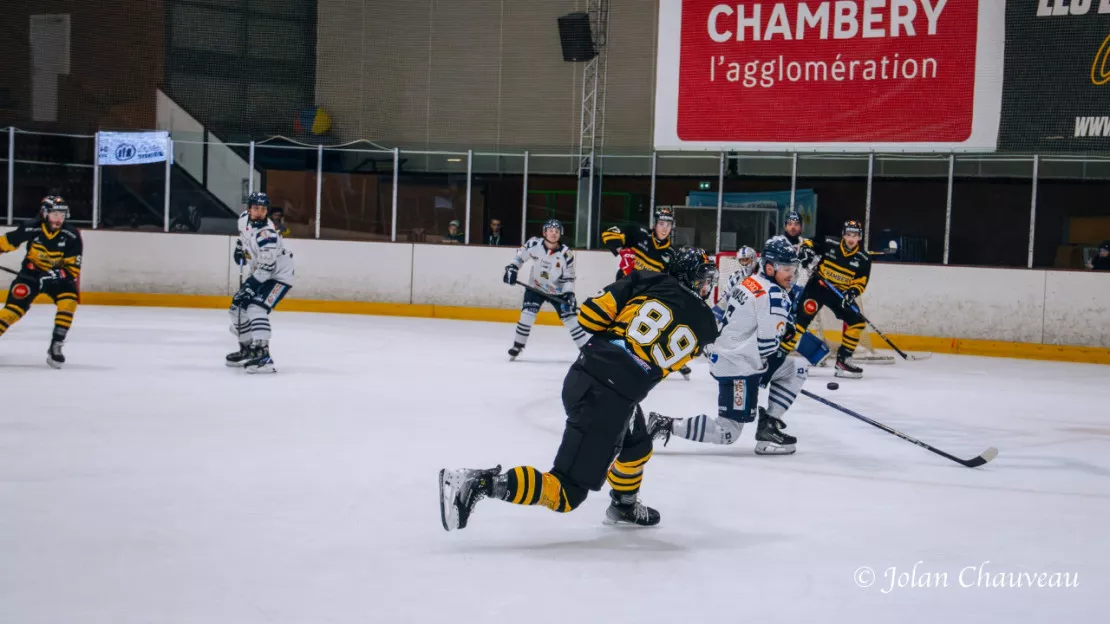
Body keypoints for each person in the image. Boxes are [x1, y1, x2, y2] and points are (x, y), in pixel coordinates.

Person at [439, 248, 720, 531]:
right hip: (609, 401)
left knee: (637, 445)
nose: (708, 286)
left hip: (586, 376)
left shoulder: (647, 280)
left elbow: (589, 318)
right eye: (705, 280)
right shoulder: (708, 326)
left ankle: (624, 504)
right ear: (693, 279)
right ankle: (479, 484)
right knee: (567, 492)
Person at [648, 237, 826, 455]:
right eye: (786, 268)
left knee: (796, 368)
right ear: (770, 268)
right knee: (728, 432)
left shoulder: (749, 282)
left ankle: (769, 425)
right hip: (738, 367)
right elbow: (768, 347)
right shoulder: (776, 295)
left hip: (729, 355)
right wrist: (784, 347)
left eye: (793, 268)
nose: (792, 274)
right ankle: (665, 424)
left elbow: (720, 312)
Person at [781, 220, 872, 379]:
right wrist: (807, 251)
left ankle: (843, 361)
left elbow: (860, 282)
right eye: (849, 234)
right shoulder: (830, 242)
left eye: (855, 235)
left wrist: (851, 293)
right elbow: (809, 242)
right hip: (818, 287)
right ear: (843, 235)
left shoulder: (864, 258)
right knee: (800, 324)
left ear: (860, 237)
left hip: (839, 294)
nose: (851, 238)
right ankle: (778, 359)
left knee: (857, 322)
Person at [0, 196, 82, 368]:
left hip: (58, 278)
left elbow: (72, 271)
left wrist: (50, 276)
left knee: (69, 301)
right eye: (55, 214)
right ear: (45, 214)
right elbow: (6, 242)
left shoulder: (71, 235)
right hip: (30, 275)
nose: (59, 219)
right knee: (11, 312)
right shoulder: (30, 228)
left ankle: (56, 345)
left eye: (62, 214)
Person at [227, 192, 296, 373]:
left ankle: (263, 355)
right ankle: (248, 350)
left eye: (263, 209)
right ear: (248, 209)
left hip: (279, 276)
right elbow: (243, 238)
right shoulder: (243, 219)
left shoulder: (268, 234)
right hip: (261, 272)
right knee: (237, 309)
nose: (259, 212)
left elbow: (267, 267)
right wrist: (239, 249)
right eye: (256, 208)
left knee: (256, 308)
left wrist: (250, 286)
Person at [503, 219, 588, 358]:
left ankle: (586, 350)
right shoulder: (533, 244)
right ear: (544, 232)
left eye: (557, 231)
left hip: (558, 292)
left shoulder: (566, 254)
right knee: (526, 316)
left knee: (571, 320)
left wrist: (569, 294)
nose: (554, 234)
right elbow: (519, 258)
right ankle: (518, 346)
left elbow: (569, 278)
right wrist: (512, 268)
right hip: (535, 288)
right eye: (550, 231)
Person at [602, 205, 677, 280]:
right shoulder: (640, 234)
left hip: (648, 289)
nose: (665, 229)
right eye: (661, 224)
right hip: (625, 283)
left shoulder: (670, 253)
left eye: (668, 225)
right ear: (655, 225)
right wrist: (622, 251)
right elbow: (609, 233)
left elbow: (668, 280)